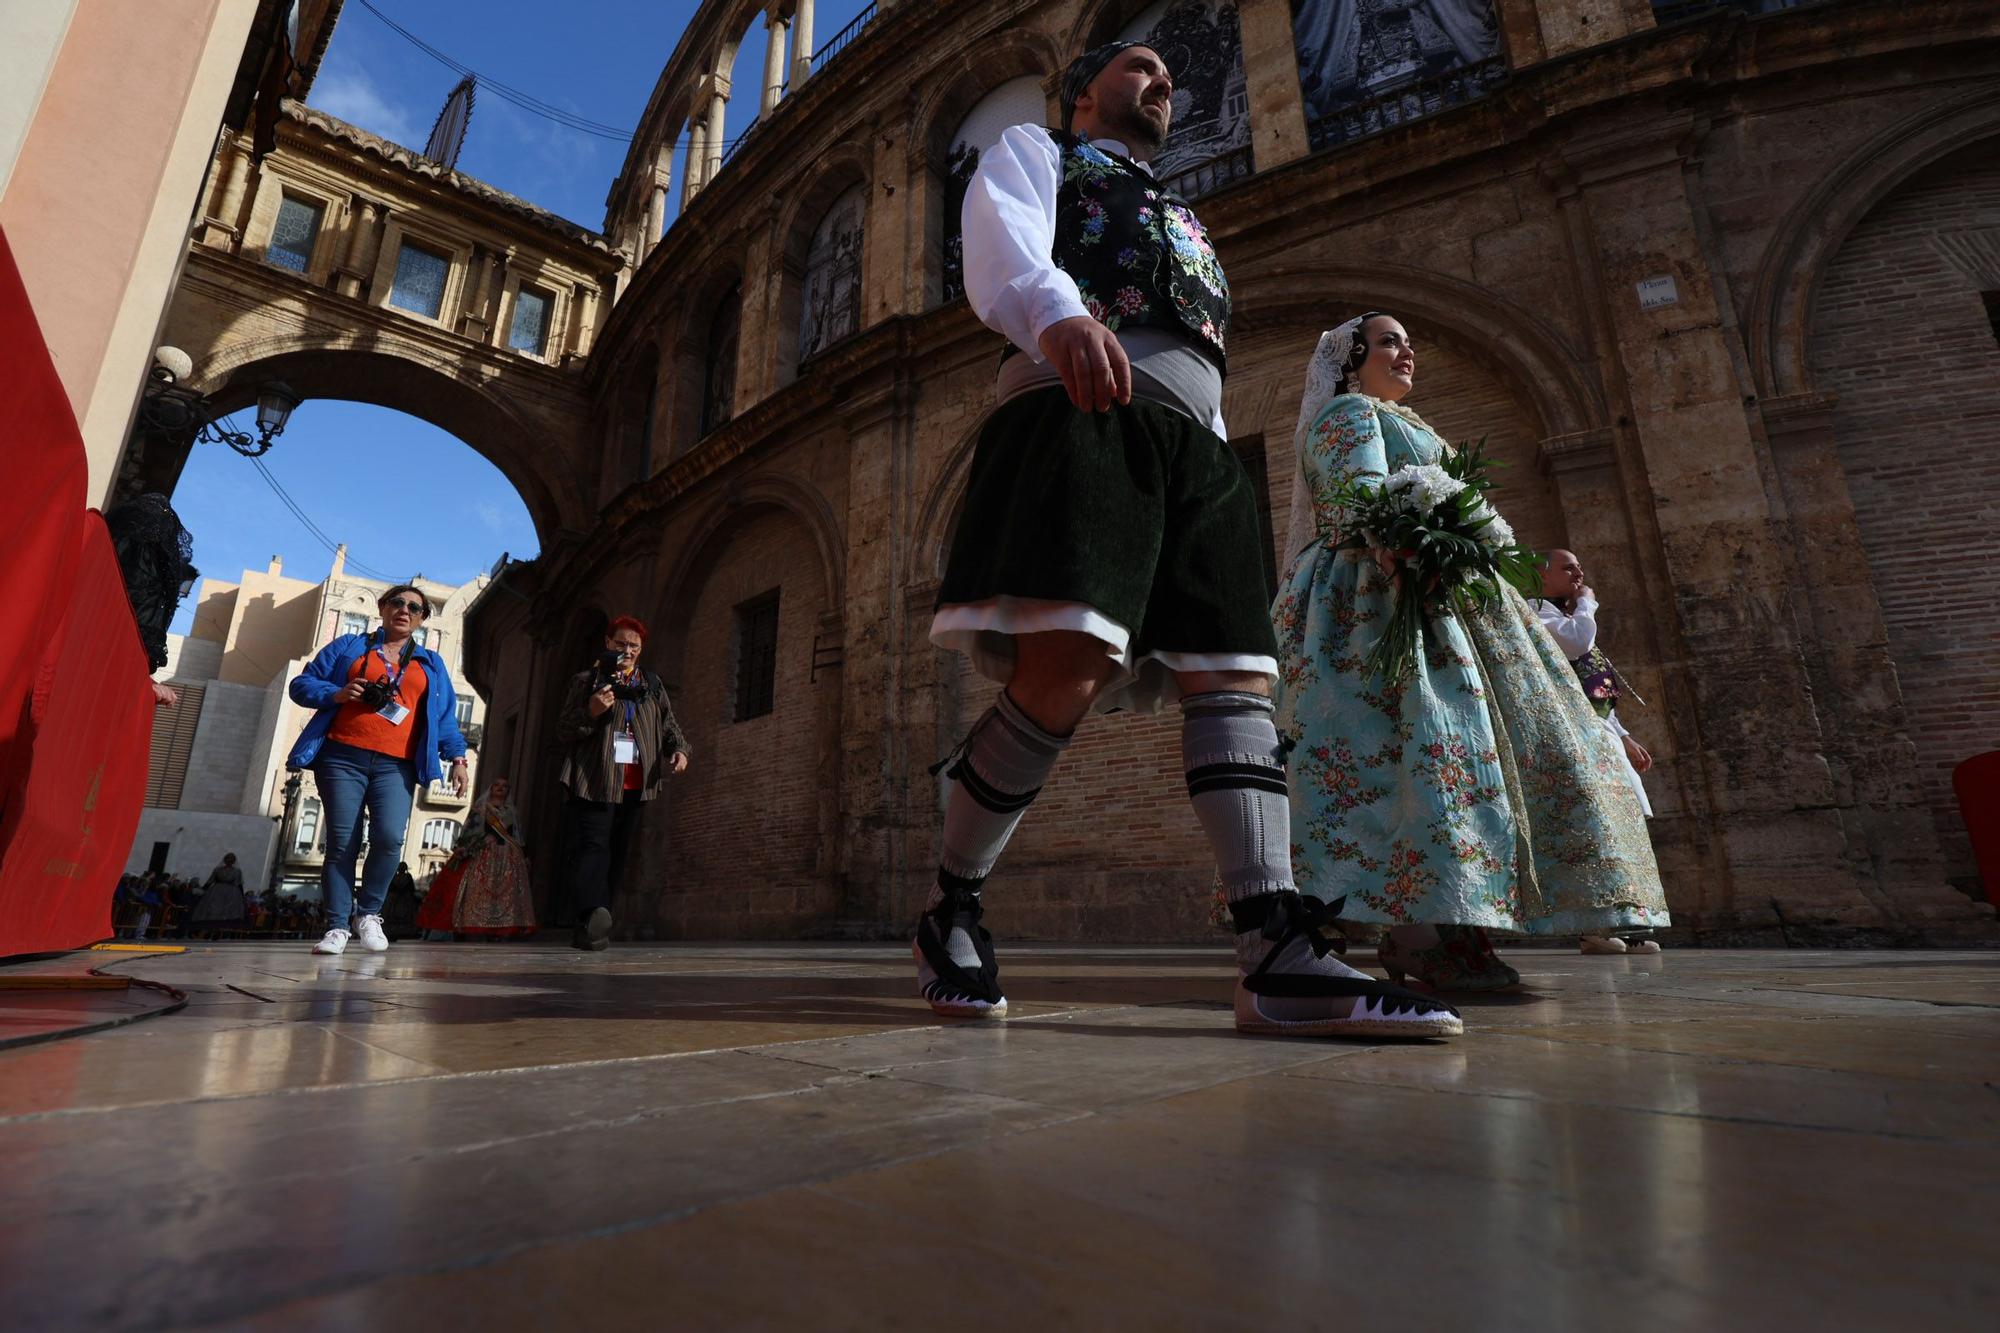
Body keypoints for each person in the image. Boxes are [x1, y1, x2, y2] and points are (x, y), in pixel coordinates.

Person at [922, 43, 1458, 1037]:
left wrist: (1211, 454)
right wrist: (1056, 316)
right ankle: (953, 900)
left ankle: (1272, 947)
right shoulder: (1035, 151)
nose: (1162, 81)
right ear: (1084, 93)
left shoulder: (1183, 215)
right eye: (1138, 67)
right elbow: (999, 243)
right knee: (1067, 668)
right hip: (1081, 410)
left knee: (1233, 674)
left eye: (1168, 73)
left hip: (1195, 452)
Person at [1275, 314, 1670, 992]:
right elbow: (1358, 501)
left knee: (1466, 762)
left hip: (1447, 601)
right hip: (1375, 600)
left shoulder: (1417, 423)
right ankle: (1419, 936)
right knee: (1407, 760)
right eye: (1390, 341)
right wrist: (1409, 539)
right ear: (1352, 357)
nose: (1407, 352)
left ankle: (1460, 924)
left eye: (1408, 343)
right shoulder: (1344, 415)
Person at [286, 584, 470, 956]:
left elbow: (445, 718)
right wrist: (336, 694)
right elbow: (301, 684)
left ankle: (368, 914)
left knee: (388, 838)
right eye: (398, 603)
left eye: (415, 608)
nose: (405, 610)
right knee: (342, 841)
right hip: (342, 756)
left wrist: (459, 759)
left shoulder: (430, 664)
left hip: (396, 765)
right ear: (384, 608)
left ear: (421, 619)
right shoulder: (350, 647)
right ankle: (337, 925)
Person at [1530, 550, 1664, 956]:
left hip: (1600, 733)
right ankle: (1594, 926)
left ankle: (1633, 921)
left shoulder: (1568, 614)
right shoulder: (1536, 611)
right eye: (1568, 567)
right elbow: (1575, 645)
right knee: (1593, 827)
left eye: (1579, 567)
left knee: (1624, 827)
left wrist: (1623, 735)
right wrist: (1587, 601)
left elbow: (1596, 691)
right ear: (1542, 573)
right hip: (1571, 733)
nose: (1579, 572)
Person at [555, 617, 689, 951]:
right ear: (608, 643)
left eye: (633, 646)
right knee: (594, 847)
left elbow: (667, 724)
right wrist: (592, 710)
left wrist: (679, 750)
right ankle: (591, 915)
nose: (626, 651)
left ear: (641, 651)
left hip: (636, 782)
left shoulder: (652, 685)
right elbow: (564, 729)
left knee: (618, 852)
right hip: (596, 778)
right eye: (620, 644)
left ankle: (598, 921)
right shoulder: (587, 680)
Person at [422, 777, 537, 938]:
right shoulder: (480, 809)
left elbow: (517, 835)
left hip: (508, 857)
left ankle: (503, 928)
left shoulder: (512, 812)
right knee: (480, 891)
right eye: (497, 785)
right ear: (490, 788)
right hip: (484, 855)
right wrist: (465, 848)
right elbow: (469, 831)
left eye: (504, 786)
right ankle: (476, 926)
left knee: (506, 893)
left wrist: (524, 855)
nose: (500, 788)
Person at [187, 852, 247, 937]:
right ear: (225, 860)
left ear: (234, 861)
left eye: (231, 859)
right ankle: (208, 930)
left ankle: (217, 931)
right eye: (228, 858)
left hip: (231, 892)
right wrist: (203, 890)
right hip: (216, 891)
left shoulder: (237, 871)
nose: (229, 860)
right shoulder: (217, 869)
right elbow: (210, 880)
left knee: (225, 912)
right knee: (213, 910)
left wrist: (242, 895)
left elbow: (239, 883)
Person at [381, 862, 420, 941]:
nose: (401, 869)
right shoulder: (394, 876)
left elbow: (411, 888)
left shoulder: (407, 877)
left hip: (404, 899)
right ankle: (390, 930)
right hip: (394, 899)